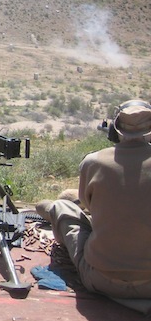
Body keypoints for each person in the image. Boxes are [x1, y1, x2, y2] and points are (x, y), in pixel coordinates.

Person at [36, 99, 151, 299]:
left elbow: (87, 205)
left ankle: (52, 210)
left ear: (115, 131)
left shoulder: (93, 162)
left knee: (64, 207)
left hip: (101, 280)